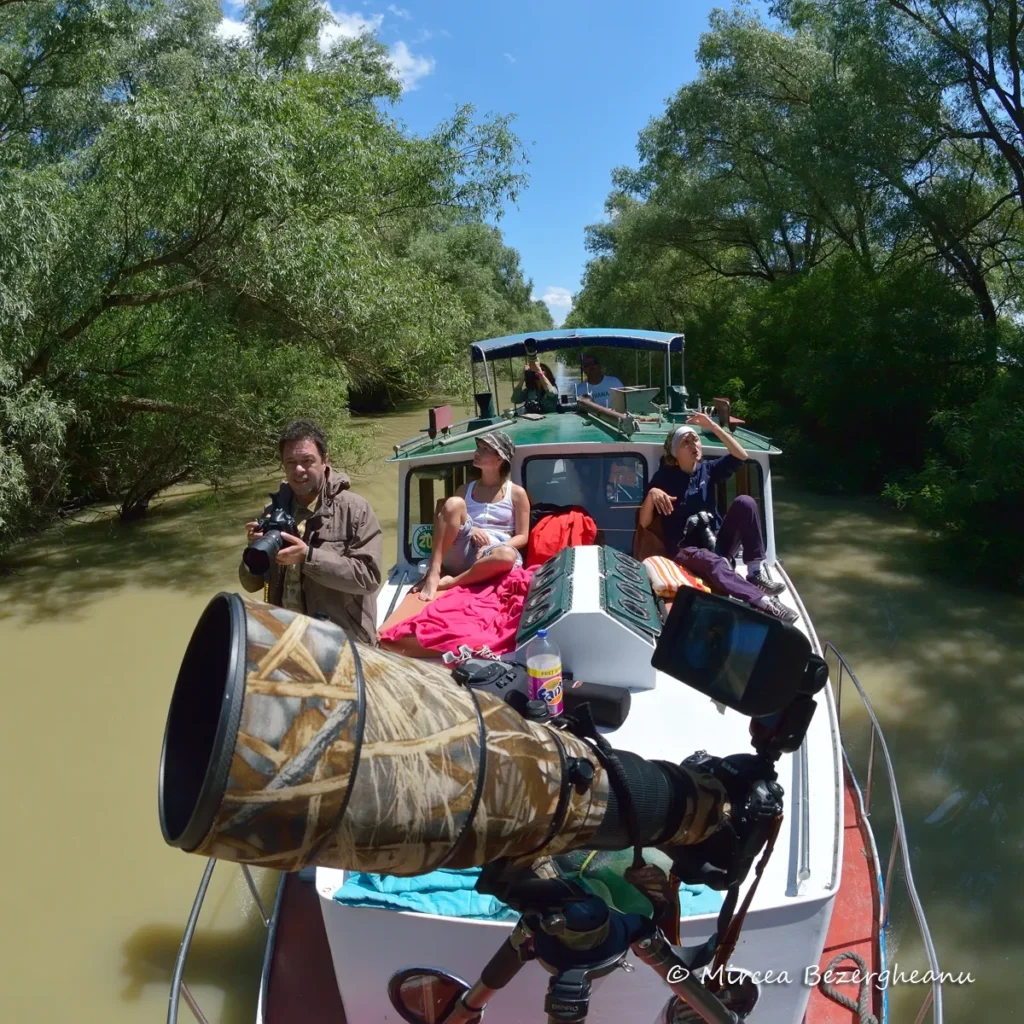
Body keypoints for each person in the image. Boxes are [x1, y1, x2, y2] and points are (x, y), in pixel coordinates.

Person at [638, 413, 796, 623]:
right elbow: (644, 522)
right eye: (686, 442)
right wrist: (651, 495)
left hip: (716, 540)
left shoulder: (708, 469)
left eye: (695, 439)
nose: (694, 444)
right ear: (675, 452)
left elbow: (741, 455)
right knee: (713, 562)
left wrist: (713, 426)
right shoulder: (664, 478)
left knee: (745, 502)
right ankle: (764, 602)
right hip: (685, 550)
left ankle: (754, 573)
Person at [239, 419, 384, 644]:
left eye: (307, 461)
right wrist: (254, 551)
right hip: (288, 638)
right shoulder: (272, 511)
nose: (298, 470)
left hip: (341, 641)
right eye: (291, 462)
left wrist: (308, 557)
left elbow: (368, 577)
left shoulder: (355, 509)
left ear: (325, 461)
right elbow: (252, 584)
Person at [414, 431, 530, 602]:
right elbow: (450, 519)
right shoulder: (465, 490)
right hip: (463, 549)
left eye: (484, 449)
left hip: (493, 555)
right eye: (478, 448)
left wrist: (492, 548)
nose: (476, 452)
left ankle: (452, 582)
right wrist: (473, 528)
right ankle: (434, 570)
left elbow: (523, 536)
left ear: (499, 459)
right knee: (454, 503)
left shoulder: (517, 493)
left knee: (507, 555)